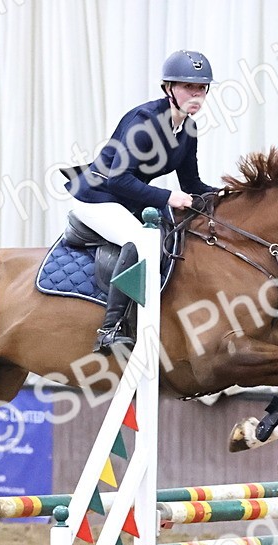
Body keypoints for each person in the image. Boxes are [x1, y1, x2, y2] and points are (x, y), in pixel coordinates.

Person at [65, 49, 220, 353]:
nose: (196, 94)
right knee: (141, 241)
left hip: (125, 199)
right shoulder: (145, 121)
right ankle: (110, 329)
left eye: (202, 88)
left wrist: (227, 194)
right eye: (188, 87)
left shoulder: (187, 129)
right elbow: (117, 179)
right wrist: (168, 197)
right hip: (96, 197)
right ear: (168, 89)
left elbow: (191, 184)